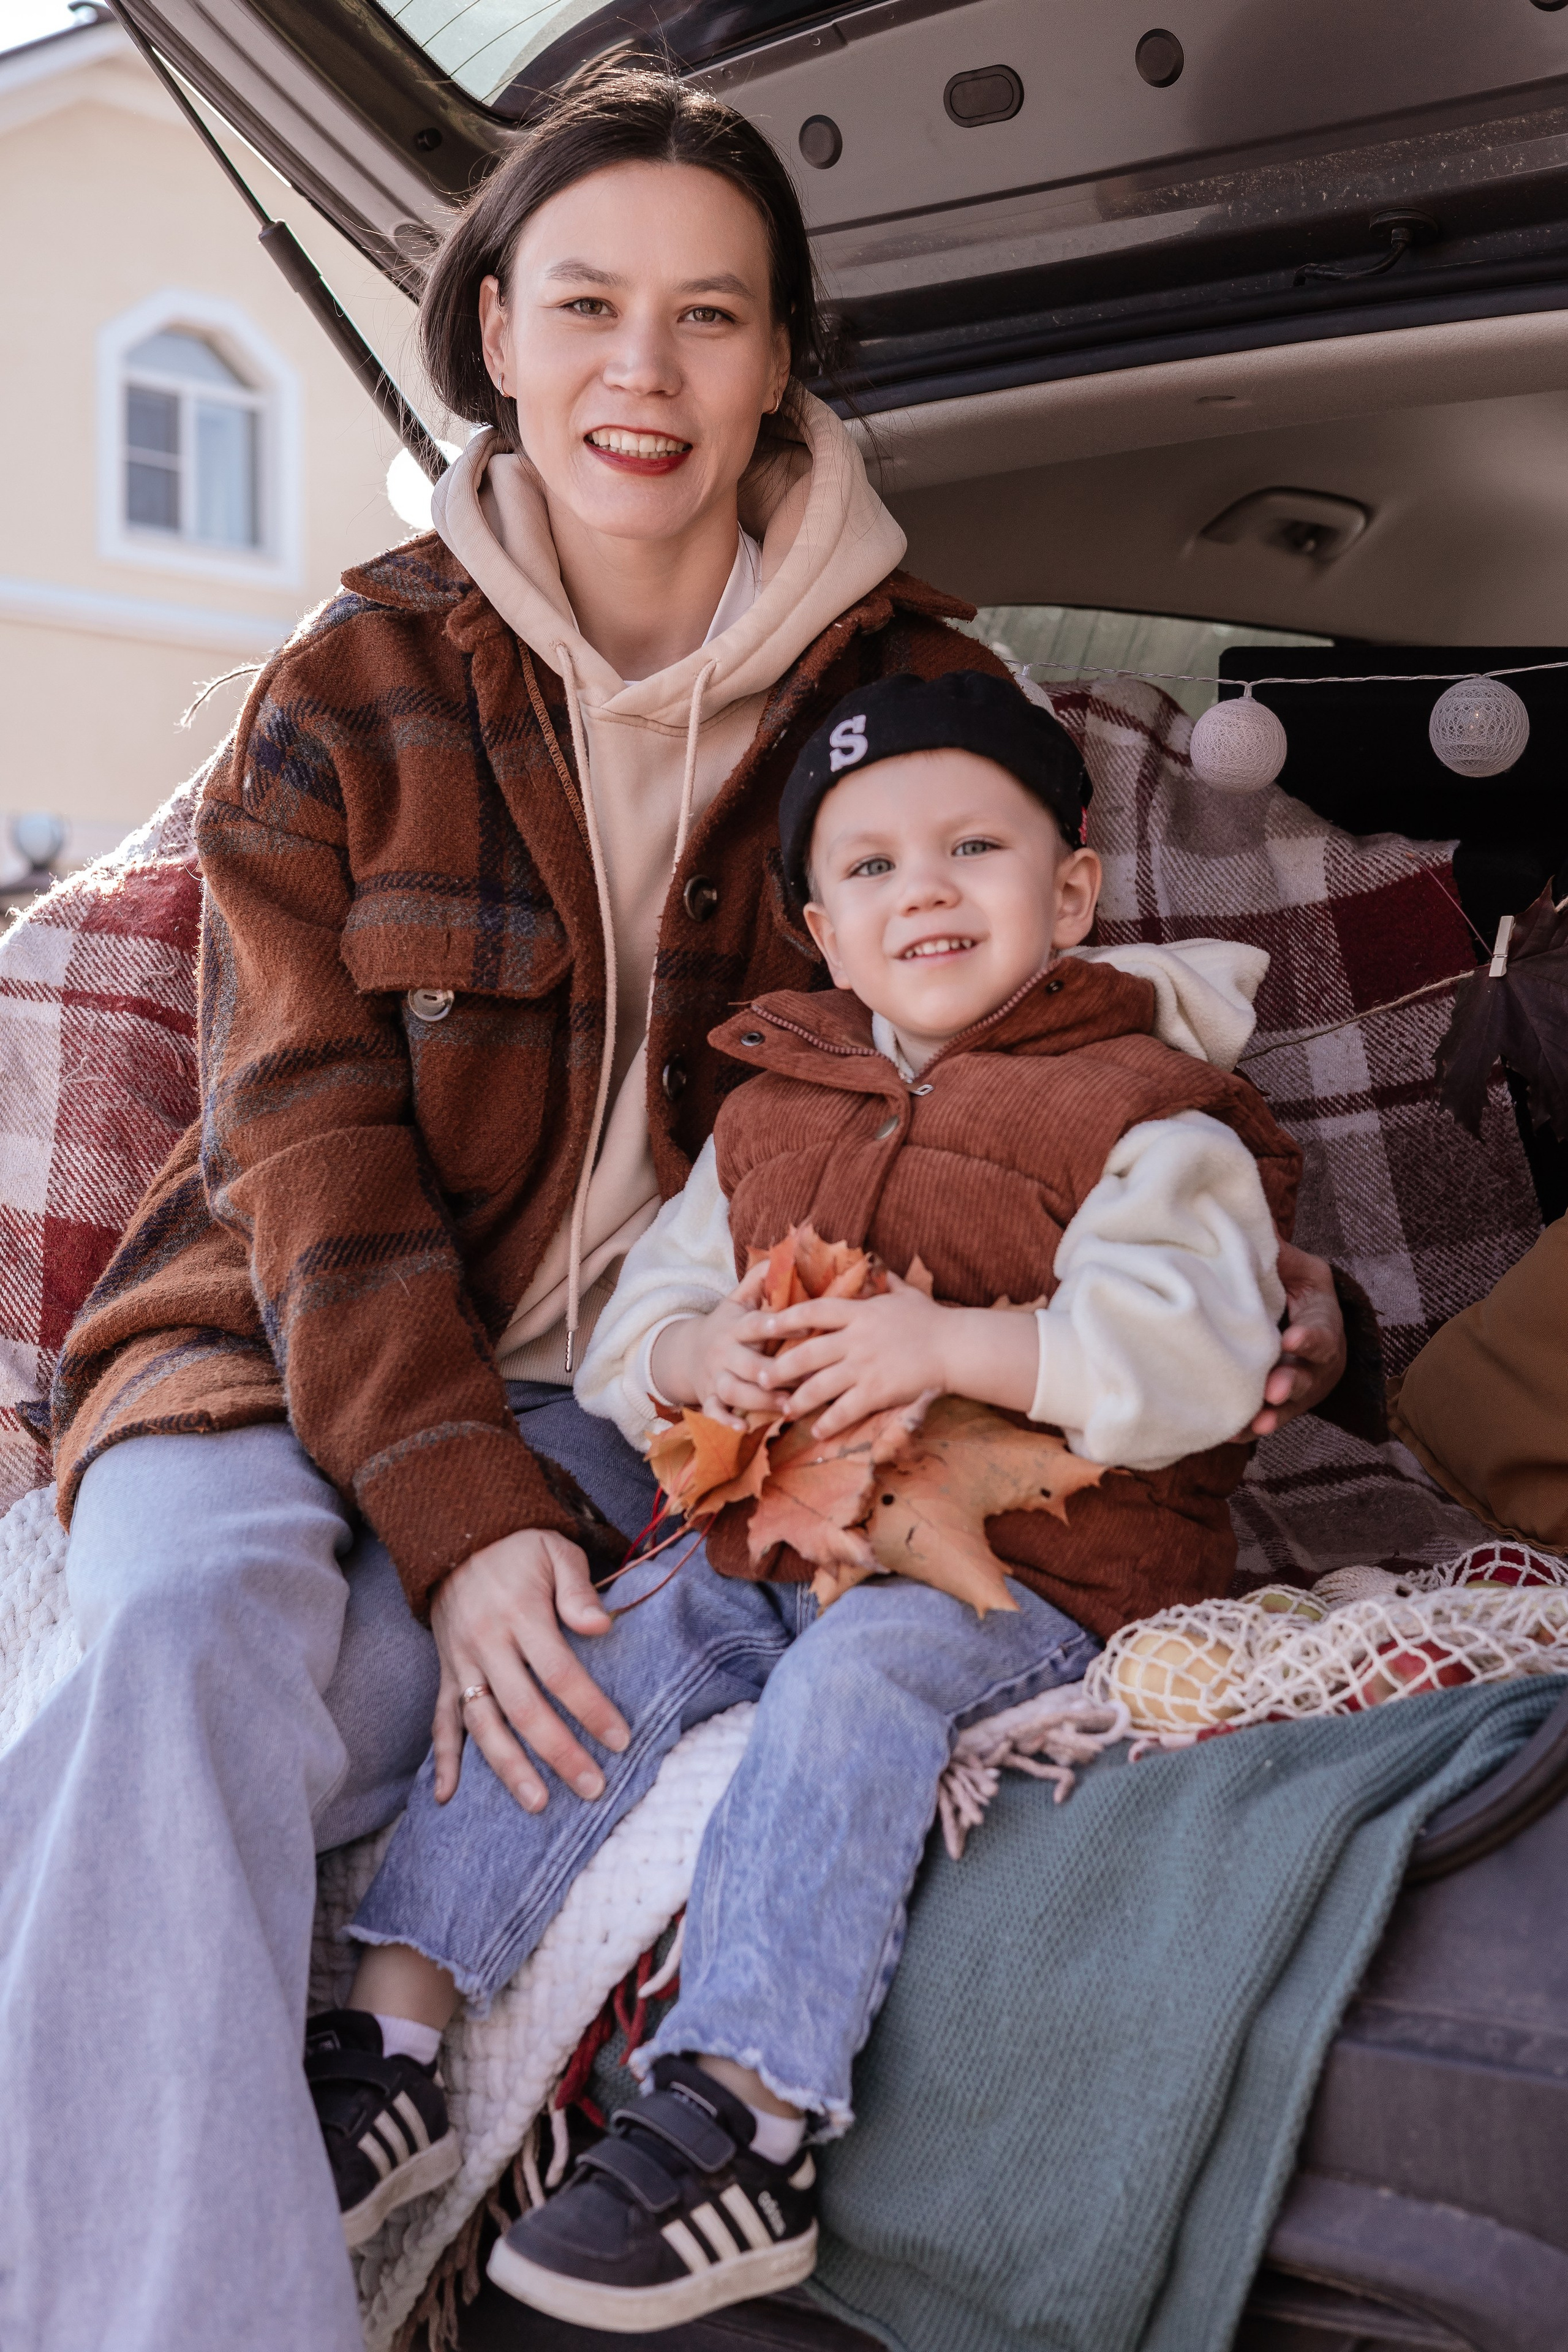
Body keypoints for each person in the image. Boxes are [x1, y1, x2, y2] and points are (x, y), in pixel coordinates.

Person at [0, 64, 1346, 2352]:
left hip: (668, 1405)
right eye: (593, 307)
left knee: (355, 1735)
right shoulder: (350, 686)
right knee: (170, 1654)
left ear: (777, 360)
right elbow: (302, 1133)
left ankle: (366, 2099)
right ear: (497, 333)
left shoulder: (908, 686)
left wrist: (1258, 1289)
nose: (650, 371)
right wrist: (453, 1508)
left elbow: (1051, 1045)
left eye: (714, 318)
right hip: (298, 1333)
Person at [330, 669, 1303, 2331]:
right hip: (774, 1534)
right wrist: (702, 1352)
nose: (923, 887)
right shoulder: (770, 1115)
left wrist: (957, 1341)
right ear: (819, 934)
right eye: (869, 868)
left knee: (856, 1691)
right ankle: (391, 2039)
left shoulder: (1151, 1112)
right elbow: (641, 1331)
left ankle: (746, 2121)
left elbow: (1200, 1348)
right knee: (598, 1639)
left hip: (1037, 1570)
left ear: (1070, 890)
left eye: (974, 847)